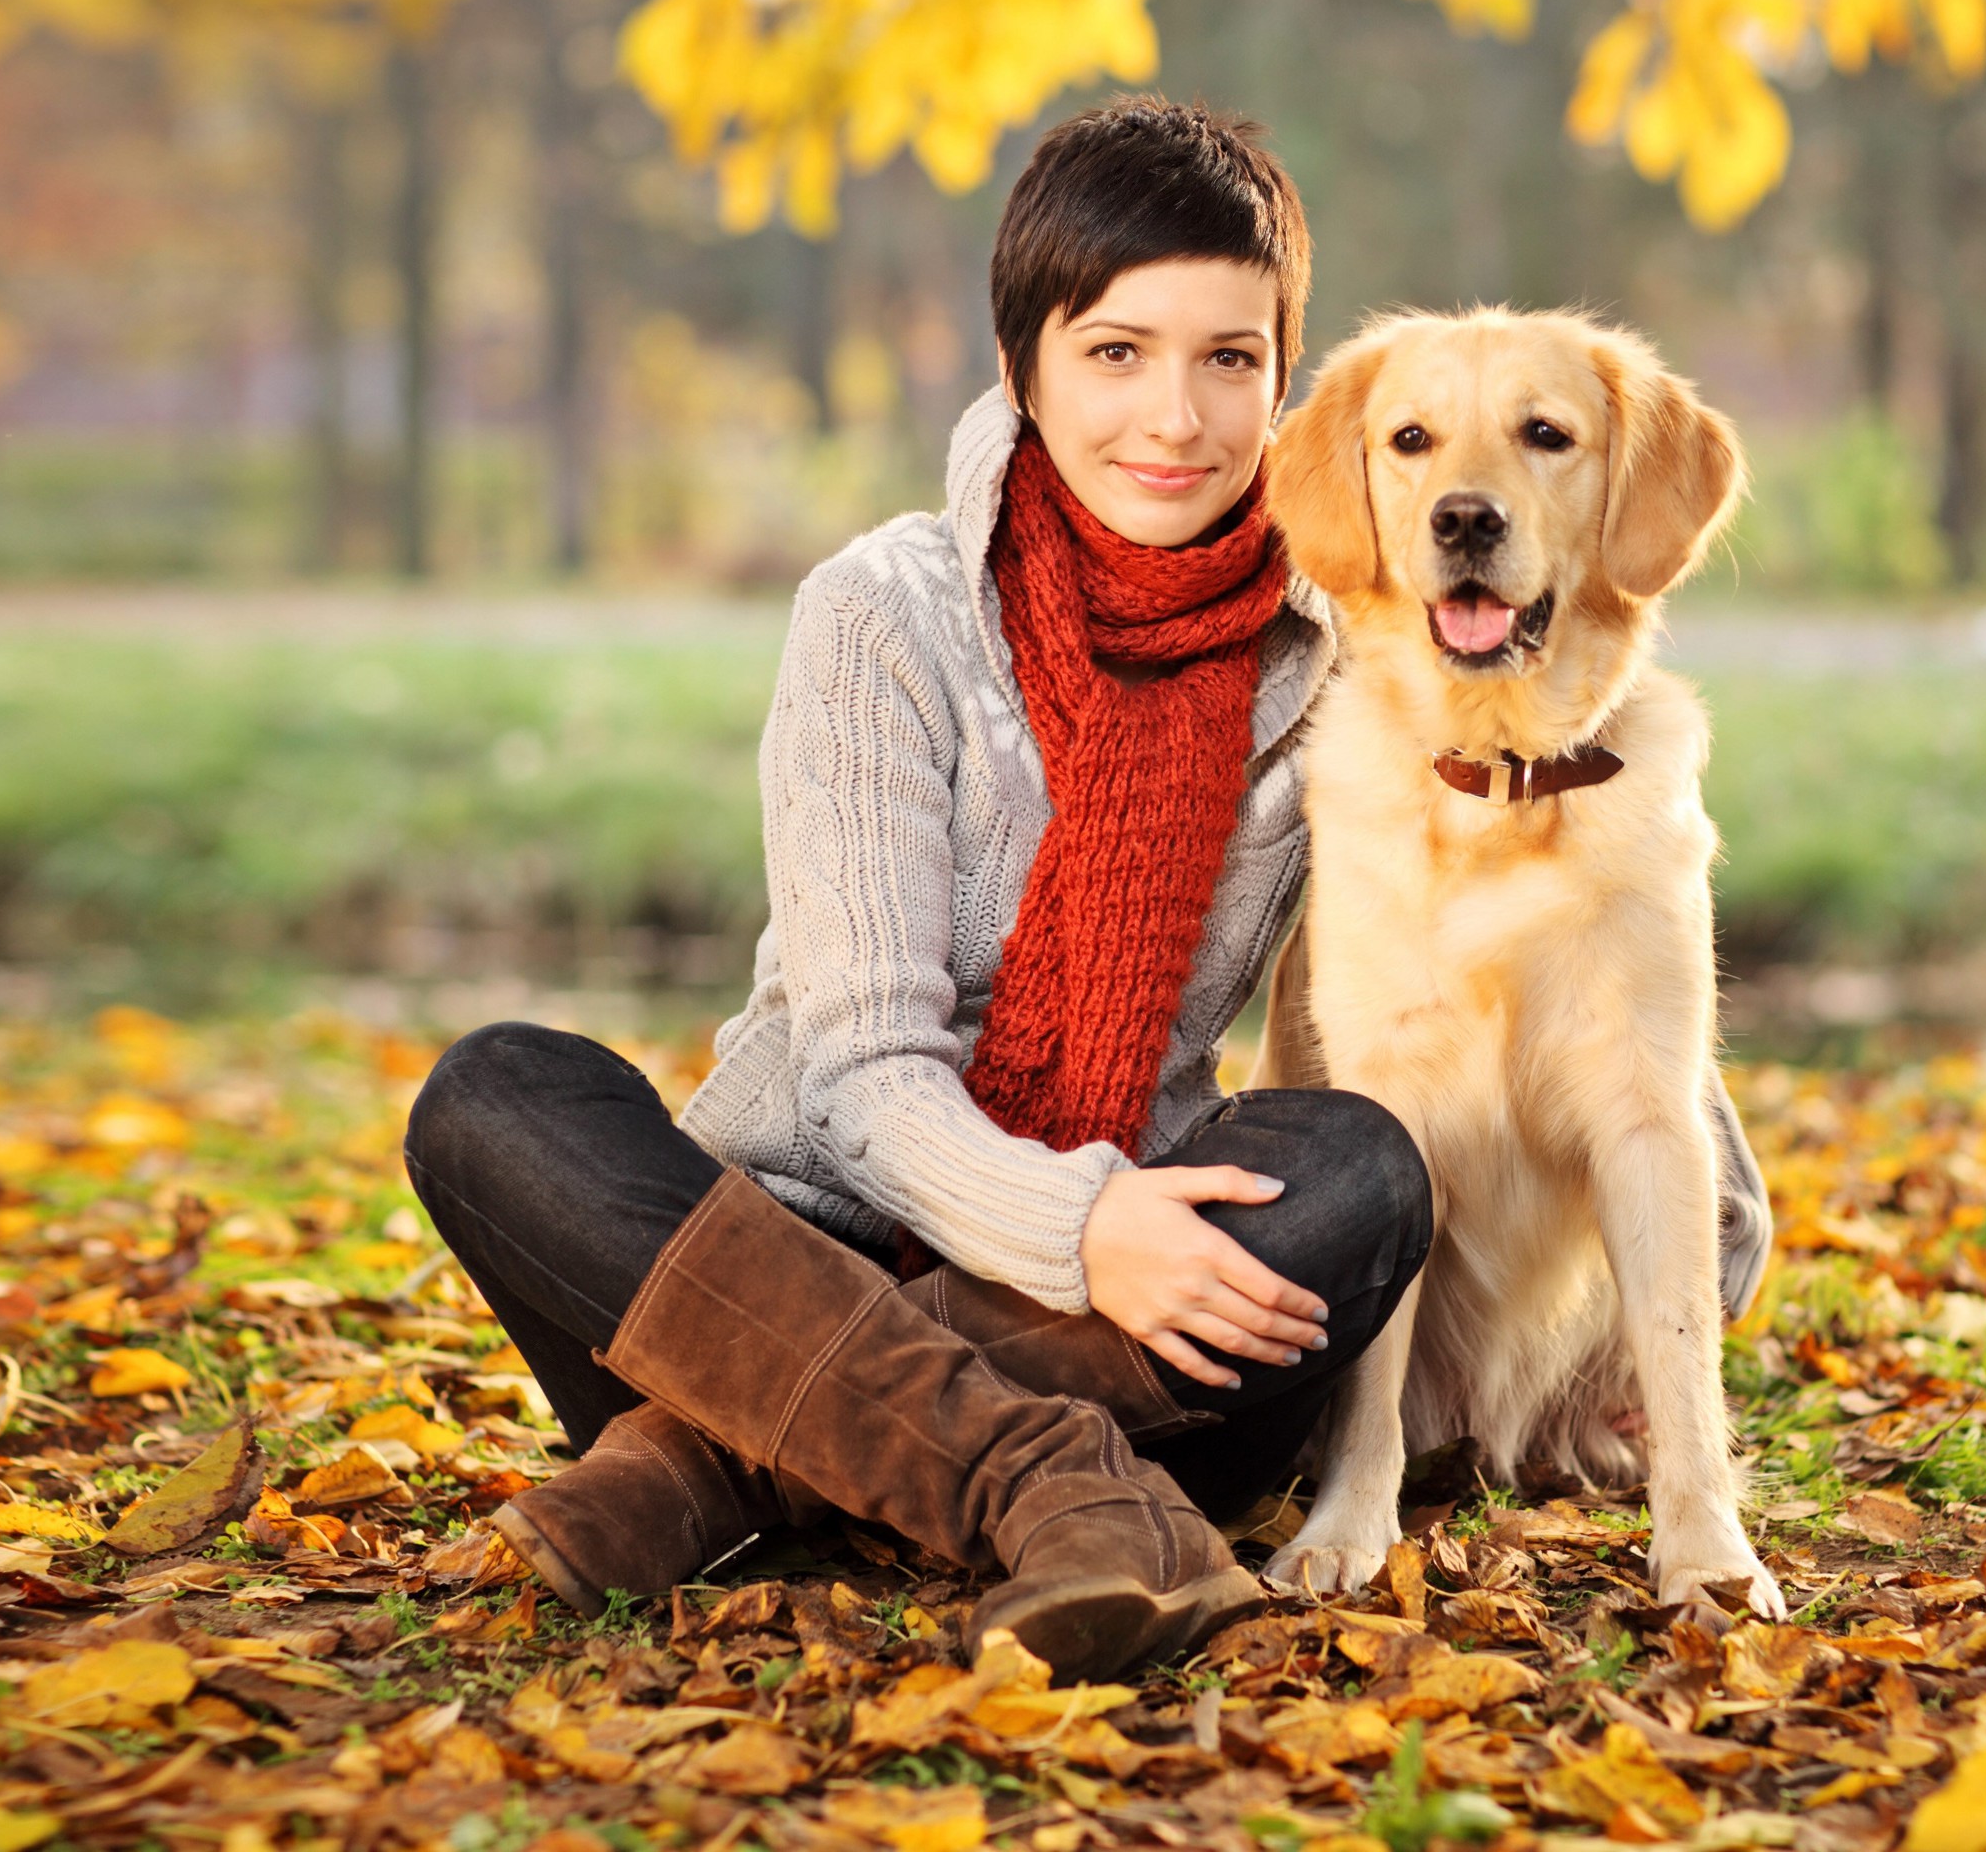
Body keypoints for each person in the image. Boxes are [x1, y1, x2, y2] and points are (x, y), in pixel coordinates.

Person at [402, 97, 1772, 1684]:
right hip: (795, 1260)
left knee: (1353, 1171)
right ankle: (1045, 1492)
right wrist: (1079, 1226)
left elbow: (1581, 1032)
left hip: (1130, 1333)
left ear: (1279, 384)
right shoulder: (883, 615)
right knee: (501, 1095)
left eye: (1229, 361)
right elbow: (855, 1080)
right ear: (1022, 370)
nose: (1175, 419)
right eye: (1117, 353)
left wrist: (1684, 1247)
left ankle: (710, 1472)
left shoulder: (1347, 651)